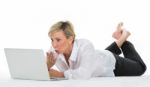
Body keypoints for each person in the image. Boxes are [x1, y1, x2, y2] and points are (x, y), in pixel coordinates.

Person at [46, 21, 146, 79]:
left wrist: (61, 74)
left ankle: (124, 37)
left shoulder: (85, 45)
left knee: (140, 68)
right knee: (98, 57)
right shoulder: (55, 50)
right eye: (52, 40)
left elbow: (84, 74)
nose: (54, 44)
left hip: (110, 64)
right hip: (97, 58)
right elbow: (41, 69)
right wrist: (47, 65)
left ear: (70, 39)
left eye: (58, 40)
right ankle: (119, 37)